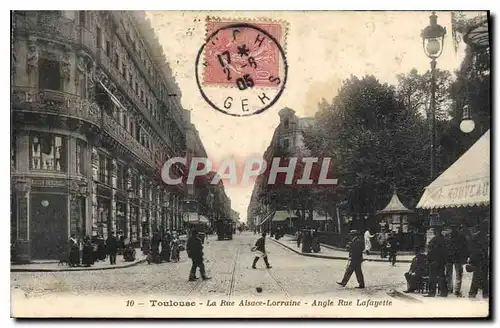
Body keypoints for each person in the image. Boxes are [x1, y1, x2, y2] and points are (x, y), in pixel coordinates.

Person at [444, 224, 469, 297]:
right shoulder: (461, 236)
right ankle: (456, 290)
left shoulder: (448, 236)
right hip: (456, 258)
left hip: (451, 258)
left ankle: (450, 289)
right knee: (457, 274)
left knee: (450, 274)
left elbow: (465, 248)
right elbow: (465, 248)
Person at [468, 220, 489, 299]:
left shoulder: (478, 236)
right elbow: (474, 249)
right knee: (481, 278)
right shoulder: (482, 237)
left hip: (480, 260)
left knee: (478, 278)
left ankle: (474, 294)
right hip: (480, 260)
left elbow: (472, 249)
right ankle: (483, 294)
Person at [425, 226, 448, 297]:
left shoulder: (434, 239)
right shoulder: (444, 239)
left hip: (434, 261)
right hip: (441, 261)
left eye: (434, 231)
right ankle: (444, 292)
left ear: (436, 231)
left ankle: (432, 292)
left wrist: (428, 259)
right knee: (441, 276)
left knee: (432, 277)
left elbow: (431, 251)